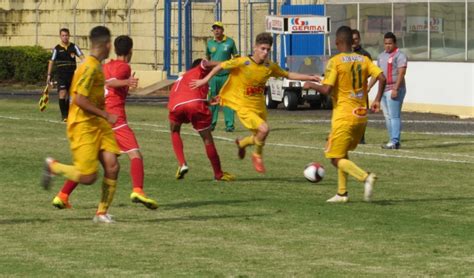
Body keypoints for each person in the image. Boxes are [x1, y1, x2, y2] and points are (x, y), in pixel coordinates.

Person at [50, 35, 158, 211]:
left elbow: (105, 85)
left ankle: (62, 196)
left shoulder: (105, 66)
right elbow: (111, 82)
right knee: (135, 154)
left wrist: (124, 88)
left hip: (101, 119)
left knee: (94, 165)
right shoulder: (124, 67)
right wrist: (126, 82)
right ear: (131, 51)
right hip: (115, 118)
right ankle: (138, 190)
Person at [192, 32, 319, 173]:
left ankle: (242, 143)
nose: (265, 52)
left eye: (268, 50)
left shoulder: (269, 66)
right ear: (255, 48)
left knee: (260, 135)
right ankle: (257, 155)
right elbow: (220, 66)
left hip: (259, 106)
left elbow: (288, 74)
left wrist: (309, 77)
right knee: (264, 129)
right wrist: (204, 80)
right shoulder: (243, 62)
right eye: (263, 49)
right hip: (244, 107)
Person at [41, 26, 120, 223]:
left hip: (98, 123)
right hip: (83, 124)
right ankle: (53, 166)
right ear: (107, 45)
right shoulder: (89, 67)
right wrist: (105, 114)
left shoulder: (95, 65)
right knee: (88, 177)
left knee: (112, 166)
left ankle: (101, 213)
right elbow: (79, 100)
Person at [303, 26, 386, 203]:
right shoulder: (363, 59)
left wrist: (311, 85)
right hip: (361, 116)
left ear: (337, 42)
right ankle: (342, 193)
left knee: (334, 157)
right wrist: (377, 98)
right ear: (351, 41)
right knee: (343, 153)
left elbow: (327, 89)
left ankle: (365, 177)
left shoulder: (336, 61)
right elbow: (382, 77)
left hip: (344, 116)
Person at [169, 58, 235, 181]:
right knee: (207, 139)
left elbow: (186, 97)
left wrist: (208, 102)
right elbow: (207, 64)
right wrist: (230, 63)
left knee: (174, 131)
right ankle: (218, 173)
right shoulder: (199, 70)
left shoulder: (181, 79)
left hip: (175, 105)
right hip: (194, 105)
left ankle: (182, 163)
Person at [376, 32, 408, 150]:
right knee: (387, 116)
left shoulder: (400, 56)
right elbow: (377, 74)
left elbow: (401, 72)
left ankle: (395, 140)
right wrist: (369, 87)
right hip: (384, 89)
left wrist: (396, 88)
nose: (387, 46)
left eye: (390, 43)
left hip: (394, 89)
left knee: (394, 116)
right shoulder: (381, 56)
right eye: (385, 43)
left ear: (395, 43)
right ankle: (392, 140)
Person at [206, 21, 239, 132]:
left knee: (227, 100)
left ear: (222, 30)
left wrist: (234, 69)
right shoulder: (210, 43)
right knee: (213, 100)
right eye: (214, 28)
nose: (216, 30)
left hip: (226, 75)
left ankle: (229, 125)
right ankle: (211, 124)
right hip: (214, 77)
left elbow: (236, 58)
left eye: (218, 28)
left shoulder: (230, 42)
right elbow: (208, 59)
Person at [46, 28, 84, 122]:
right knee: (62, 93)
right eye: (63, 35)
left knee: (70, 95)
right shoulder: (57, 48)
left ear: (69, 36)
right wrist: (49, 75)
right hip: (61, 76)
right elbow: (51, 61)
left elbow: (83, 57)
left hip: (72, 75)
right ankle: (64, 116)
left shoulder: (74, 47)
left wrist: (86, 66)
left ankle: (69, 114)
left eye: (66, 35)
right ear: (60, 36)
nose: (65, 37)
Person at [352, 29, 372, 144]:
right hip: (347, 90)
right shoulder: (345, 54)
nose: (354, 41)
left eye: (356, 39)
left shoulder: (365, 55)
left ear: (359, 39)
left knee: (361, 114)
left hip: (360, 90)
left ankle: (361, 138)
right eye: (352, 39)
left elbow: (370, 71)